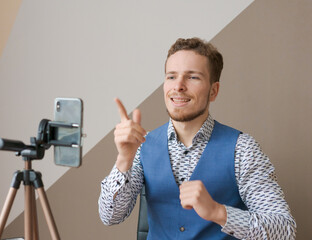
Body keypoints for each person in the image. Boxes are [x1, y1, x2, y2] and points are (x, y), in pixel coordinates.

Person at [98, 37, 296, 239]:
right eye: (171, 77)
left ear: (214, 91)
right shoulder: (142, 145)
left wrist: (218, 212)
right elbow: (109, 216)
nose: (179, 86)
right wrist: (123, 159)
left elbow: (284, 230)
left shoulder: (242, 149)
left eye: (192, 77)